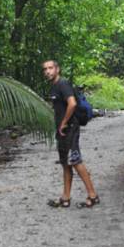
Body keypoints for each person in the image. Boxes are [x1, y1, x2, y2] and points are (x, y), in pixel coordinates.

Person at [42, 59, 100, 209]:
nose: (48, 71)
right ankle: (65, 198)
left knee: (75, 161)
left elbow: (72, 103)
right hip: (62, 130)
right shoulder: (54, 87)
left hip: (69, 128)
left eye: (50, 68)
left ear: (57, 69)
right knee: (65, 163)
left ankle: (93, 195)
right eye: (45, 69)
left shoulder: (63, 84)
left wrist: (64, 122)